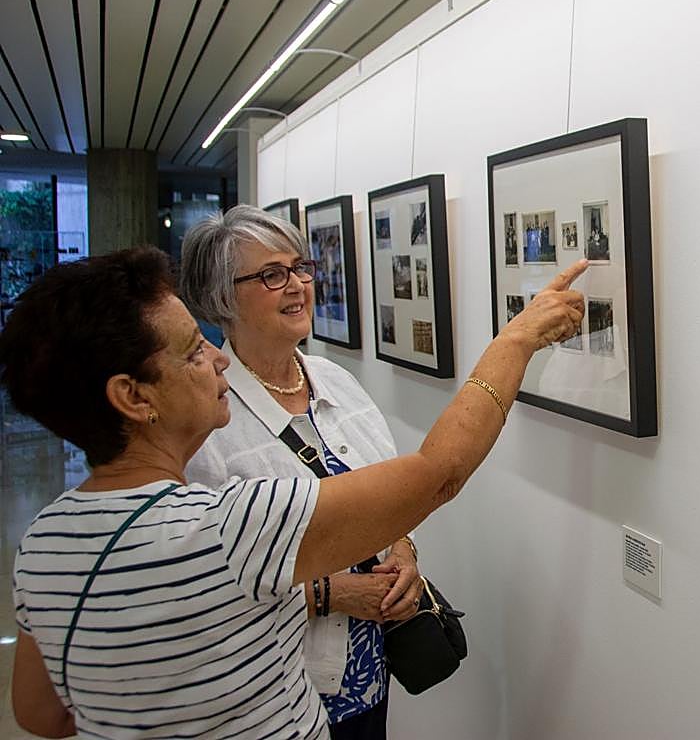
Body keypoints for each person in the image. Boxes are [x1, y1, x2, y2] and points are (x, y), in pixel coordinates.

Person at [0, 246, 586, 739]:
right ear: (133, 397)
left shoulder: (44, 543)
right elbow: (439, 473)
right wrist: (518, 339)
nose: (217, 359)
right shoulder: (228, 527)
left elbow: (42, 714)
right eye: (193, 350)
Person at [180, 206, 420, 737]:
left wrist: (404, 551)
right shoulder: (208, 420)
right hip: (276, 693)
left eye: (300, 267)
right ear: (222, 297)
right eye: (271, 274)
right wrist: (333, 593)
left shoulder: (338, 382)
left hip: (369, 670)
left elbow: (391, 496)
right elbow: (206, 583)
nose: (297, 285)